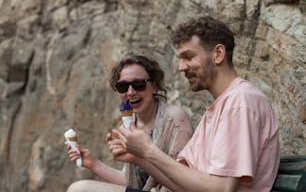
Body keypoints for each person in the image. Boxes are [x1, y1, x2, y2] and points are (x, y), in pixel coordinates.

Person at [109, 16, 280, 192]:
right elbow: (184, 184)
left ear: (218, 54)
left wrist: (148, 150)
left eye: (188, 57)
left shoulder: (240, 103)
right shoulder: (221, 106)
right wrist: (139, 157)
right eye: (180, 59)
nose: (181, 67)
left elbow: (221, 189)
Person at [66, 54, 194, 192]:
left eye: (139, 84)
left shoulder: (174, 118)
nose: (131, 92)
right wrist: (93, 163)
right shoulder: (129, 126)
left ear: (155, 86)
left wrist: (139, 157)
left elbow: (185, 184)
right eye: (123, 86)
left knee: (79, 189)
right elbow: (134, 184)